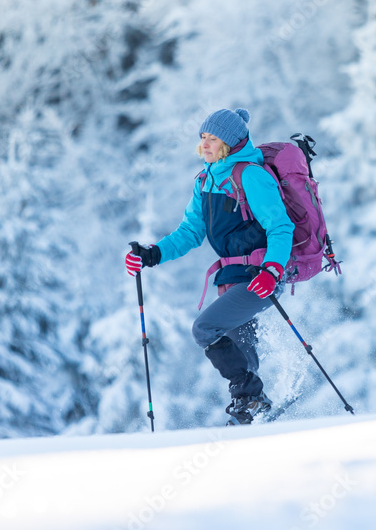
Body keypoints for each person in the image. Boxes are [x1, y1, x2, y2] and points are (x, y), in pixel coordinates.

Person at [125, 108, 294, 424]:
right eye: (203, 137)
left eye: (212, 138)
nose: (205, 144)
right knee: (242, 350)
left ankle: (252, 397)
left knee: (205, 328)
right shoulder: (205, 180)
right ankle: (254, 413)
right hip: (231, 277)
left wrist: (273, 270)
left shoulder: (251, 176)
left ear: (229, 143)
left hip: (261, 276)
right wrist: (153, 254)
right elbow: (190, 232)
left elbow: (281, 227)